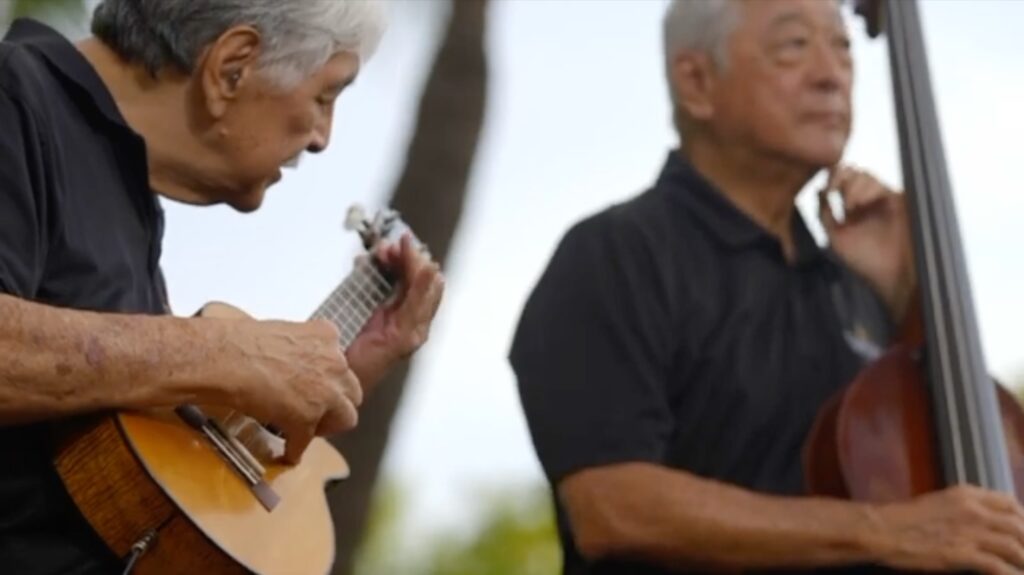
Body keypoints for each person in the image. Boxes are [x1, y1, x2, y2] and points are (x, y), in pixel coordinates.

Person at [510, 1, 1024, 574]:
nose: (832, 75)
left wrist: (908, 292)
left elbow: (960, 479)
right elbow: (611, 507)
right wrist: (882, 532)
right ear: (697, 81)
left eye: (843, 47)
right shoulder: (618, 254)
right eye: (794, 46)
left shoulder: (851, 279)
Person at [0, 1, 444, 573]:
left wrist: (342, 369)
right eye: (326, 96)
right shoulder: (14, 98)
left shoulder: (125, 193)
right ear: (232, 66)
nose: (322, 138)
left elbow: (140, 473)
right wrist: (224, 353)